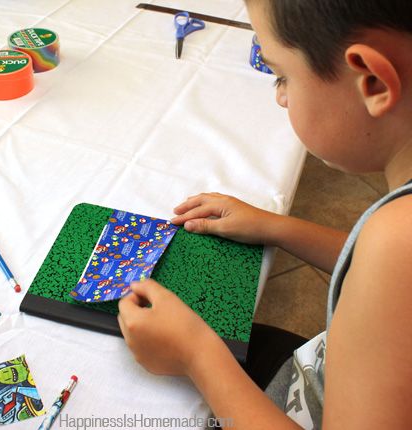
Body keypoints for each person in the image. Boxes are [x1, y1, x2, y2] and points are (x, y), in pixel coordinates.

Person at [117, 0, 412, 428]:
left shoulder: (399, 241)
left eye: (283, 75)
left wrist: (197, 356)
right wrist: (276, 227)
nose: (281, 96)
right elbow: (373, 272)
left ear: (371, 80)